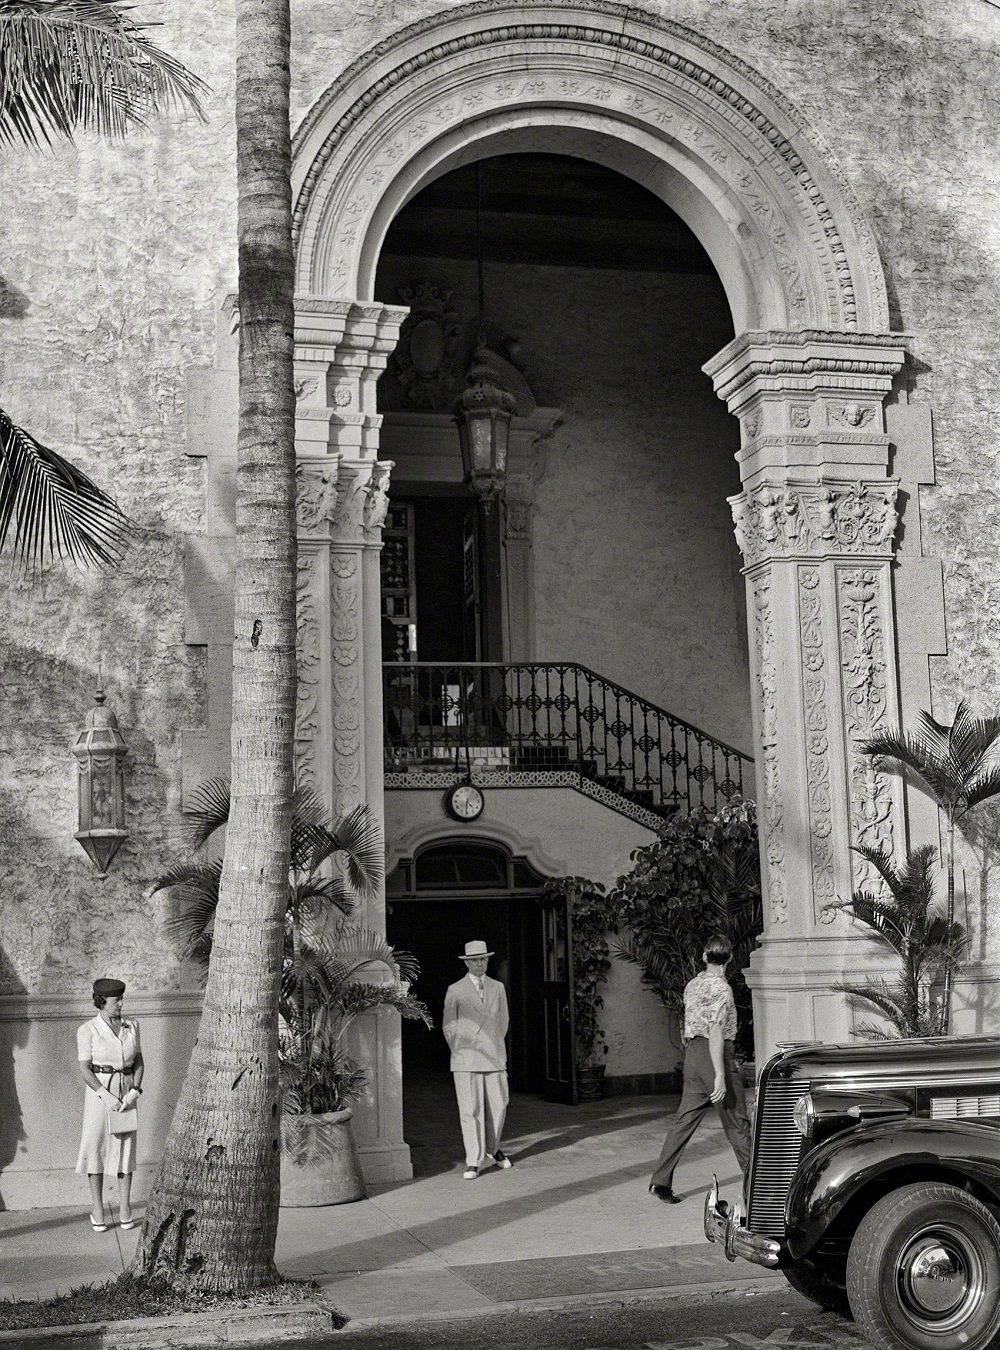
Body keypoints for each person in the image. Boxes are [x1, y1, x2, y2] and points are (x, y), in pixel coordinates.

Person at [648, 933, 751, 1203]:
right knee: (738, 1124)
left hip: (693, 1055)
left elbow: (688, 1021)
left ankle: (660, 1181)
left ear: (705, 957)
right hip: (715, 1056)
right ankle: (759, 1189)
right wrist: (719, 1074)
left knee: (684, 1120)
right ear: (728, 959)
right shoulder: (723, 989)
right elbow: (715, 1030)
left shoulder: (692, 985)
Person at [76, 977, 144, 1231]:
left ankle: (125, 1207)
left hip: (127, 1090)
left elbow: (138, 1060)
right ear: (102, 1001)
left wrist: (134, 1091)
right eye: (117, 1001)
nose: (121, 1005)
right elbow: (84, 1069)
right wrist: (106, 1096)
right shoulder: (88, 1030)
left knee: (125, 1147)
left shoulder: (132, 1025)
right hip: (99, 1093)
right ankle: (98, 1208)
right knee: (95, 1146)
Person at [443, 939, 514, 1180]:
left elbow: (503, 1022)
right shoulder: (456, 989)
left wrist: (492, 1044)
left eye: (483, 959)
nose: (479, 964)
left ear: (487, 960)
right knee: (470, 1109)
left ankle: (493, 1150)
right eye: (474, 960)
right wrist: (463, 1049)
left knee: (499, 1105)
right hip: (466, 1058)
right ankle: (473, 1160)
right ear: (467, 962)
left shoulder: (497, 988)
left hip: (493, 1055)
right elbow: (449, 1026)